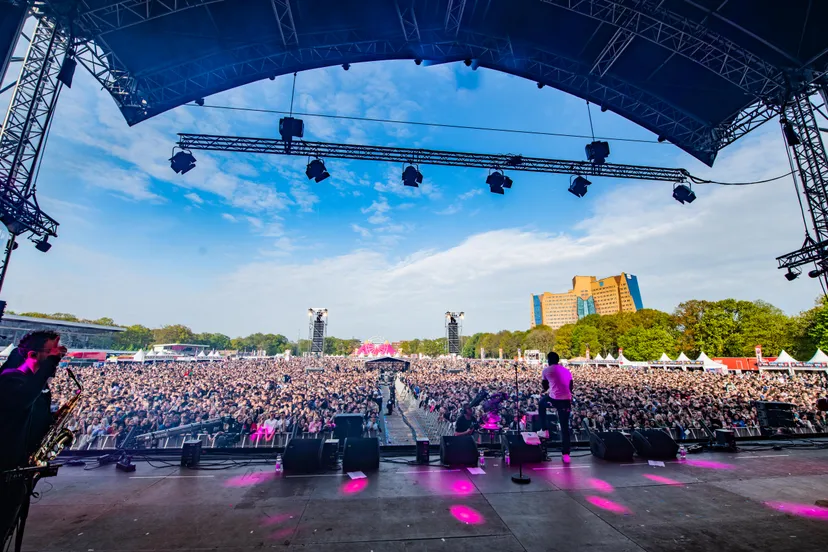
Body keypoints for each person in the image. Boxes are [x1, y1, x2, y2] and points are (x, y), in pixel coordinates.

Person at [0, 331, 67, 545]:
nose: (57, 359)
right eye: (52, 353)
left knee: (8, 528)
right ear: (32, 354)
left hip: (21, 465)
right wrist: (50, 365)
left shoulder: (38, 387)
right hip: (5, 468)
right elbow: (23, 401)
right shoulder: (10, 380)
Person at [537, 351, 573, 463]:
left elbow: (545, 387)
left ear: (548, 360)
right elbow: (571, 386)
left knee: (541, 404)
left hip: (554, 399)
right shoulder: (567, 370)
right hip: (566, 400)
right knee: (564, 427)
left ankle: (544, 430)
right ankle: (566, 454)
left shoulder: (546, 370)